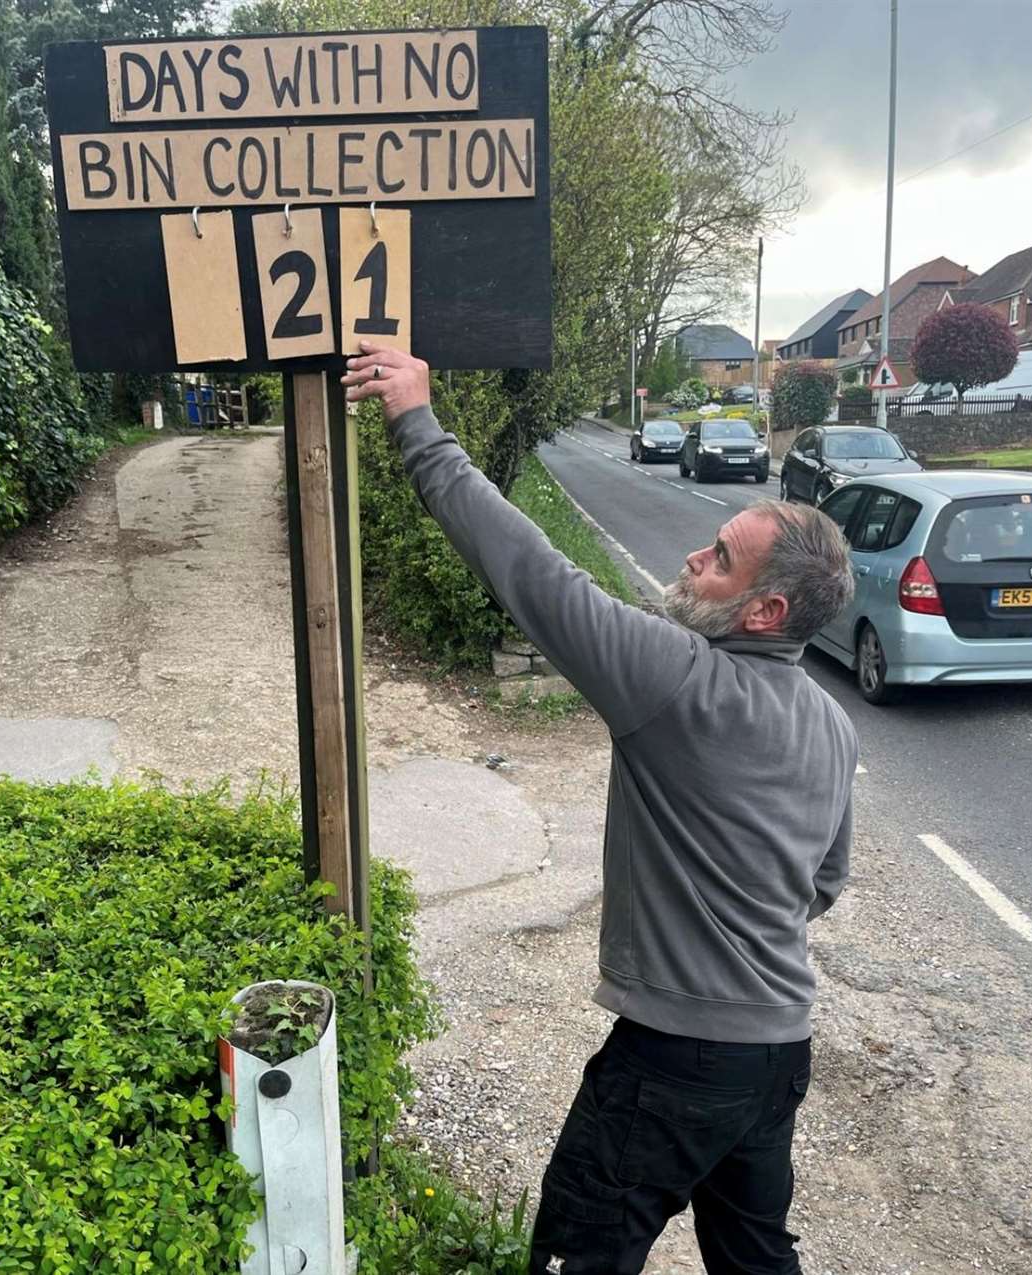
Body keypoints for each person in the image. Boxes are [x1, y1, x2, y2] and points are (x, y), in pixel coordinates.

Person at [343, 344, 859, 1275]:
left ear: (765, 610)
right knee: (754, 1259)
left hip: (677, 1061)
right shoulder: (831, 721)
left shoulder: (674, 680)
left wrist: (419, 426)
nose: (694, 556)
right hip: (777, 1051)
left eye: (720, 560)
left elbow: (532, 573)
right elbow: (821, 883)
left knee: (575, 1256)